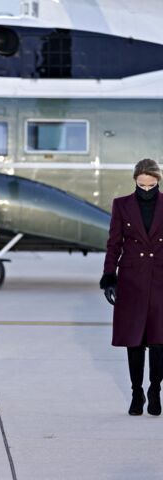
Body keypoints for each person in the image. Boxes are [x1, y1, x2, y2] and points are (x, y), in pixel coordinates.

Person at [100, 158, 163, 416]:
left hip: (160, 277)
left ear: (158, 181)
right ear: (135, 180)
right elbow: (114, 243)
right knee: (133, 340)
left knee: (159, 341)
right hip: (131, 280)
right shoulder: (121, 204)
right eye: (142, 185)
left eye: (152, 185)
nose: (146, 190)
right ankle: (136, 392)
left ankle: (155, 390)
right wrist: (109, 277)